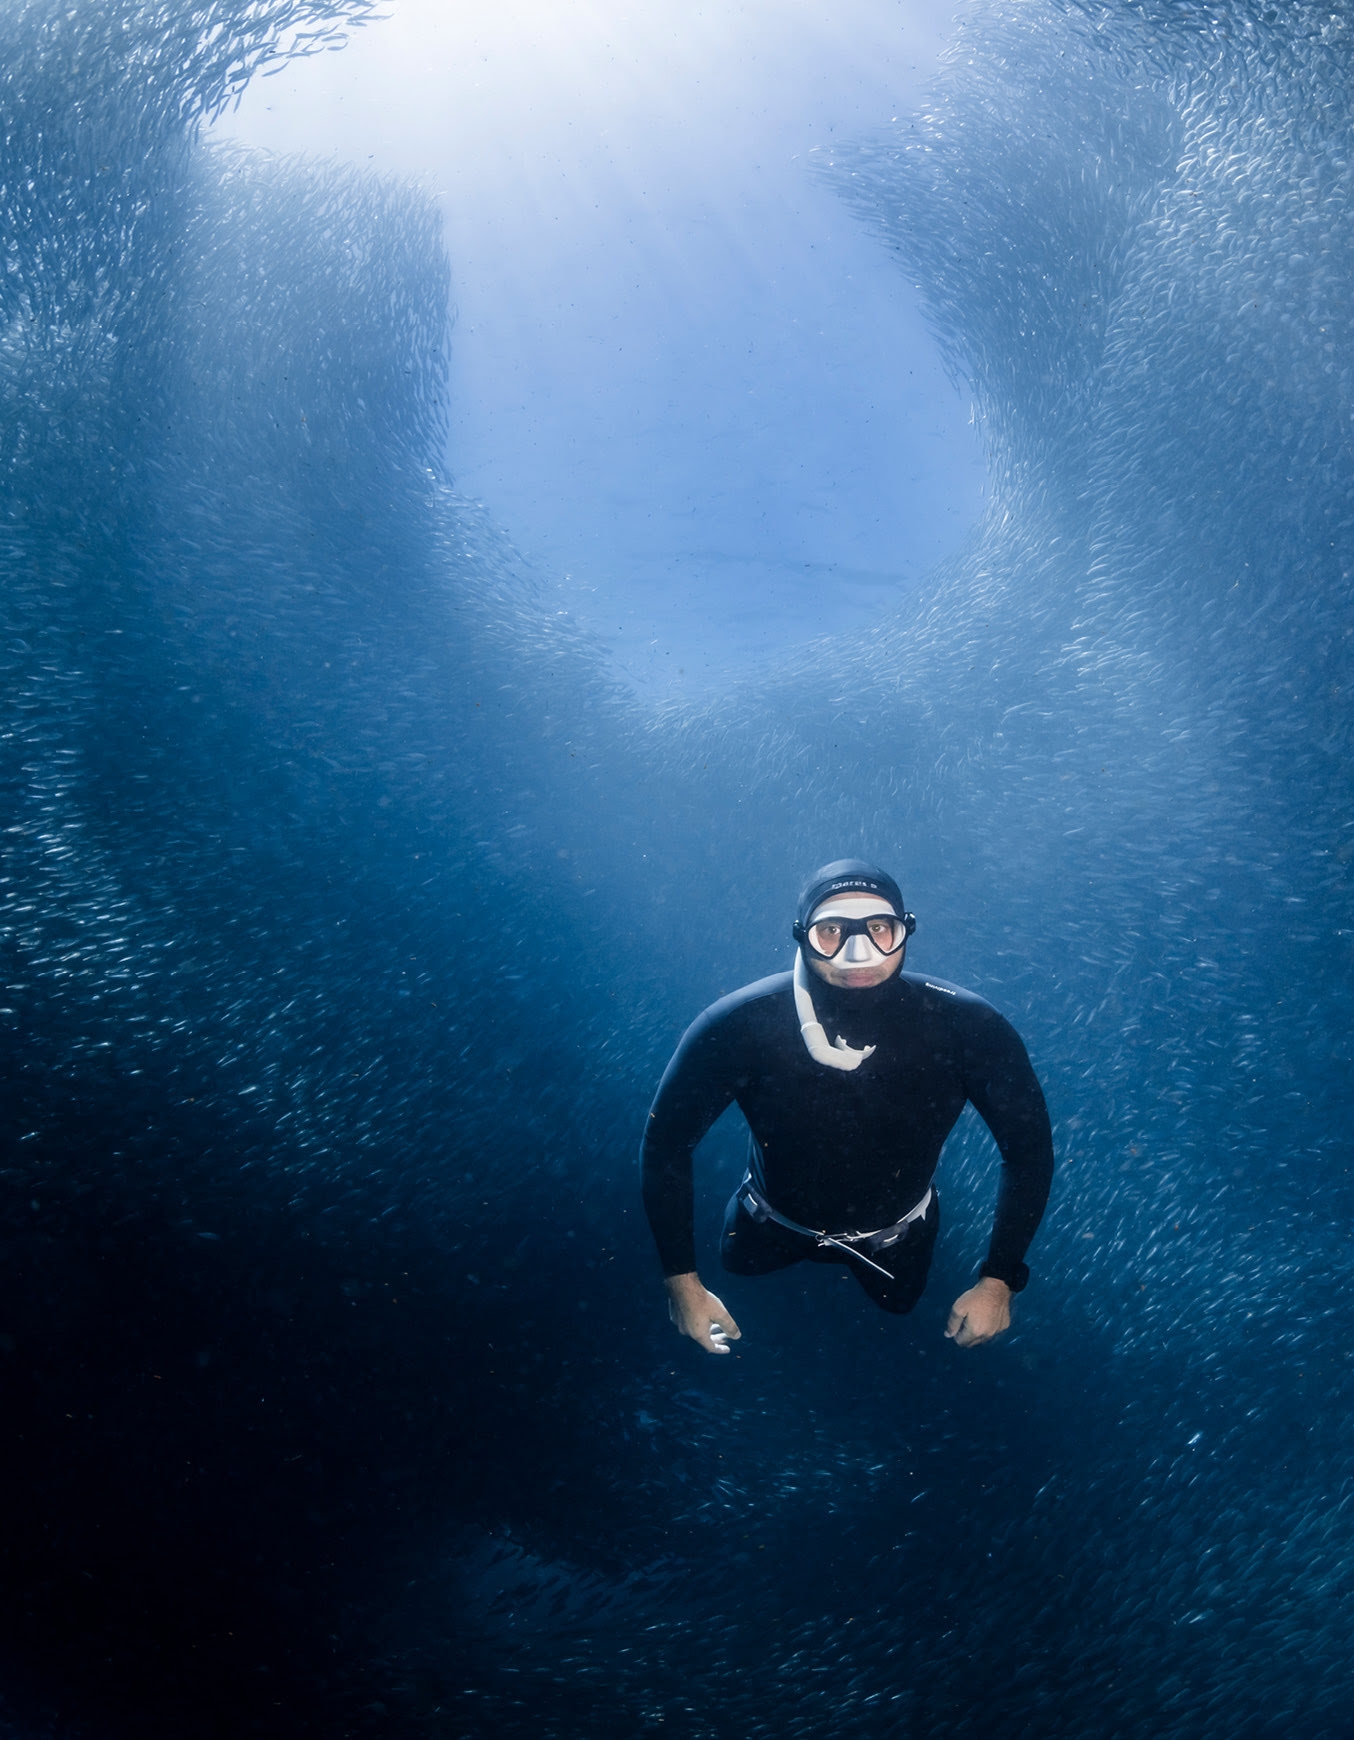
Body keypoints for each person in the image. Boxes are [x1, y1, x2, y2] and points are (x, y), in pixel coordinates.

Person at [641, 860, 1054, 1354]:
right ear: (802, 935)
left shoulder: (969, 1027)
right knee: (740, 1266)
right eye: (832, 931)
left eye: (880, 928)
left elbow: (1027, 1153)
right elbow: (666, 1145)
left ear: (906, 930)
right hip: (766, 1224)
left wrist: (999, 1282)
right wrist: (681, 1283)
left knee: (898, 1306)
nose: (858, 954)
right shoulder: (737, 1025)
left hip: (897, 1240)